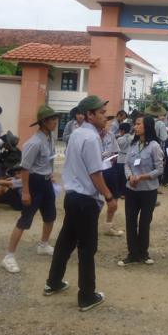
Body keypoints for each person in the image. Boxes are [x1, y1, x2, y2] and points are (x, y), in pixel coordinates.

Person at [45, 95, 117, 312]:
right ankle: (87, 296)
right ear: (89, 115)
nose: (105, 117)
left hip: (73, 196)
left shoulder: (77, 133)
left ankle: (53, 281)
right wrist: (109, 197)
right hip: (85, 200)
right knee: (87, 248)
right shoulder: (91, 138)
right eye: (101, 113)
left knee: (66, 241)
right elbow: (95, 173)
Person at [1, 105, 59, 274]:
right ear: (44, 122)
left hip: (46, 182)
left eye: (55, 119)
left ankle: (43, 245)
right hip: (34, 184)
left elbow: (47, 160)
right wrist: (25, 192)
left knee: (50, 216)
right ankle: (9, 256)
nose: (55, 122)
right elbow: (25, 168)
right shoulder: (34, 143)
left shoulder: (50, 138)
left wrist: (49, 174)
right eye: (52, 119)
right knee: (25, 219)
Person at [118, 115, 164, 266]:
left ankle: (143, 253)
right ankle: (132, 253)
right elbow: (126, 164)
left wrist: (142, 177)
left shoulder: (154, 146)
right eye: (135, 124)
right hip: (131, 189)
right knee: (130, 222)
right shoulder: (133, 143)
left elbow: (159, 169)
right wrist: (130, 177)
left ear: (147, 127)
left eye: (139, 124)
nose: (135, 127)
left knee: (144, 222)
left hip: (148, 191)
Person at [101, 117, 122, 237]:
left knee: (114, 198)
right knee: (94, 200)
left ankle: (108, 226)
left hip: (109, 169)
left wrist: (114, 157)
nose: (104, 125)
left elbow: (115, 151)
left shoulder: (111, 136)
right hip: (95, 171)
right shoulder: (91, 137)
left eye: (105, 123)